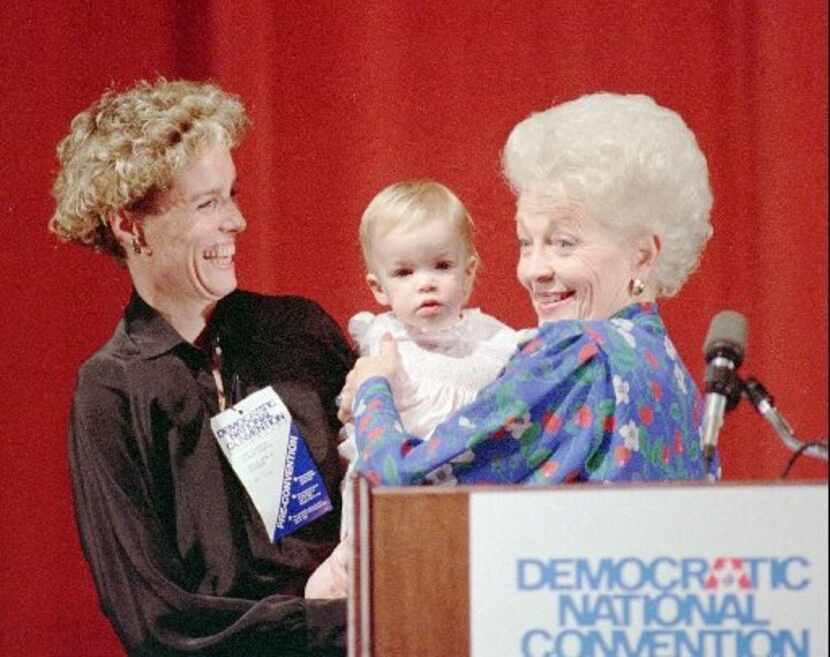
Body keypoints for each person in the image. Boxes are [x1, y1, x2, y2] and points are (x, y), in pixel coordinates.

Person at [49, 79, 354, 657]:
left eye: (232, 194)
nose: (237, 220)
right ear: (129, 224)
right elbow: (153, 618)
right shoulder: (111, 391)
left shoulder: (299, 331)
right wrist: (337, 625)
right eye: (207, 202)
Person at [338, 92, 717, 487]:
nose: (533, 271)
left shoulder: (576, 352)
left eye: (564, 243)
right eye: (525, 243)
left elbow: (404, 486)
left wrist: (372, 390)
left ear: (642, 254)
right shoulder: (675, 375)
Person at [338, 180, 517, 537]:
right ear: (378, 288)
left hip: (472, 497)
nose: (426, 283)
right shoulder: (384, 342)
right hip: (394, 505)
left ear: (468, 273)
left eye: (441, 266)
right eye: (405, 273)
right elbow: (357, 417)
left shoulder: (495, 341)